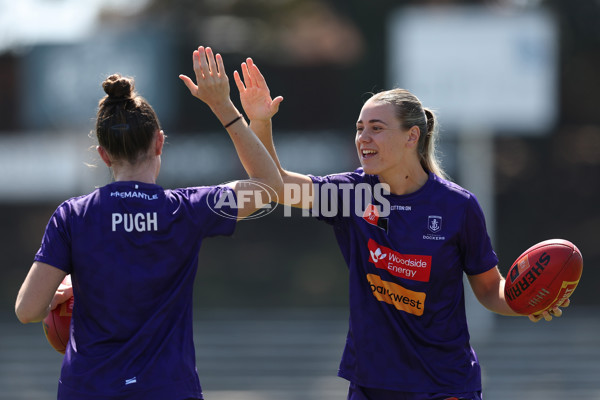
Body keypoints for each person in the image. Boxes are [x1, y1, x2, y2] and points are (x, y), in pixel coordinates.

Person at [232, 58, 569, 400]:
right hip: (372, 383)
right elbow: (275, 186)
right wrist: (259, 122)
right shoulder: (353, 194)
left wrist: (524, 301)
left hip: (445, 385)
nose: (363, 137)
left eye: (376, 128)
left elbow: (488, 288)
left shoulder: (458, 206)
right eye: (359, 127)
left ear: (412, 136)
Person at [15, 46, 282, 400]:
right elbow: (270, 186)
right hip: (168, 389)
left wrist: (66, 290)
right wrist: (223, 107)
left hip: (89, 389)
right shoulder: (187, 210)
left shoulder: (72, 216)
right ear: (159, 143)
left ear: (103, 154)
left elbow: (27, 310)